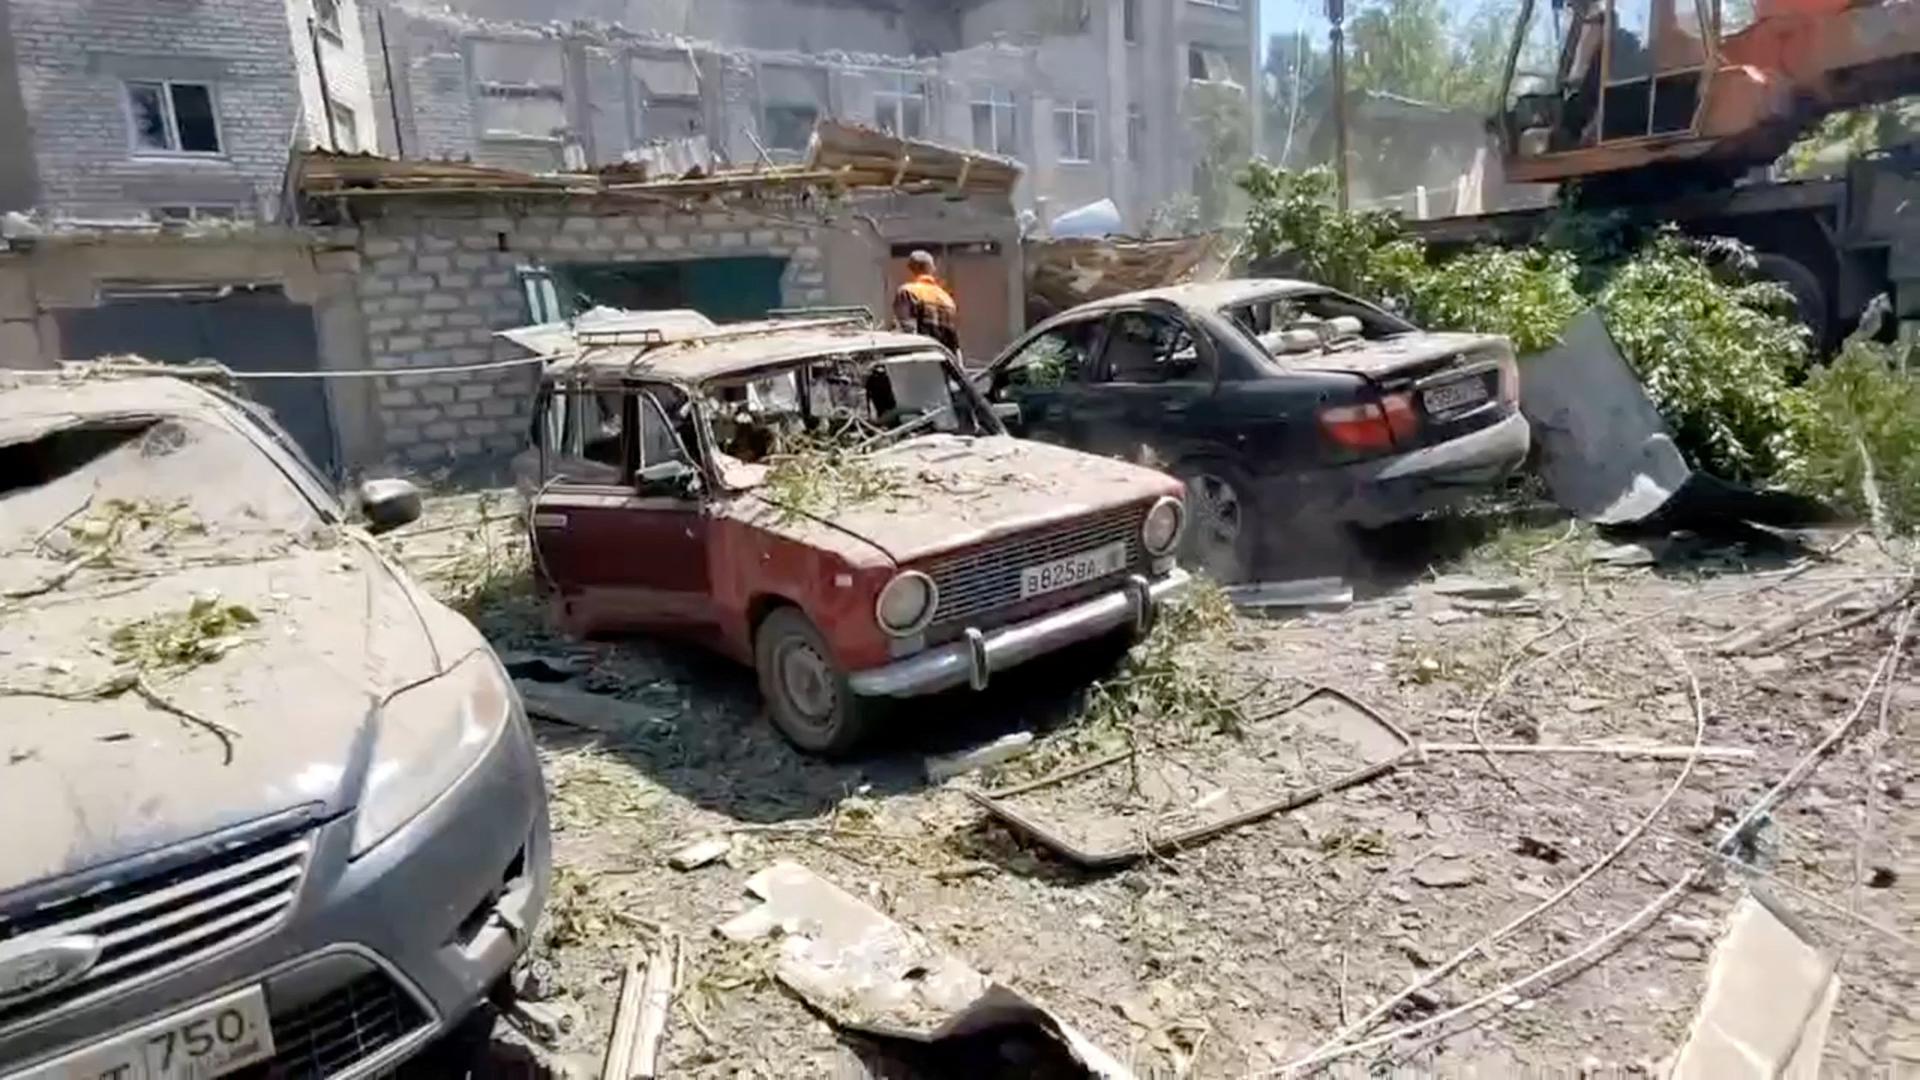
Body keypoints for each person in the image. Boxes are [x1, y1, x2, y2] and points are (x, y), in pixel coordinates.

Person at [892, 250, 960, 353]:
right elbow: (954, 343)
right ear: (932, 270)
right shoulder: (946, 298)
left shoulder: (907, 292)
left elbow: (906, 334)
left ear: (911, 269)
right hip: (940, 364)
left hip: (920, 361)